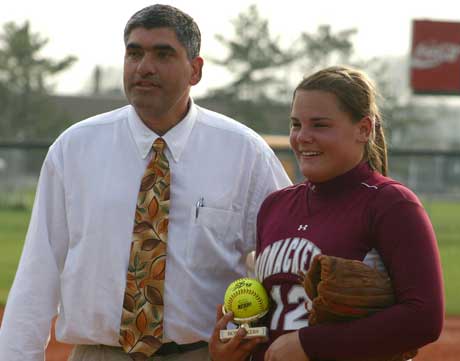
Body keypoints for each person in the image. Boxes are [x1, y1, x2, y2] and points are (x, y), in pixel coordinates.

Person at [0, 4, 291, 361]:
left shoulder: (246, 154)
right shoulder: (74, 149)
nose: (144, 67)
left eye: (163, 54)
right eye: (134, 53)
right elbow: (38, 267)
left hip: (203, 354)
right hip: (99, 354)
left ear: (195, 70)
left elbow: (283, 258)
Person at [209, 66, 444, 361]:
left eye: (319, 125)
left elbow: (424, 318)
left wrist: (312, 344)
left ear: (364, 129)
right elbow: (277, 316)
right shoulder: (274, 206)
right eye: (296, 124)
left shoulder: (391, 204)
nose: (302, 137)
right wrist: (237, 347)